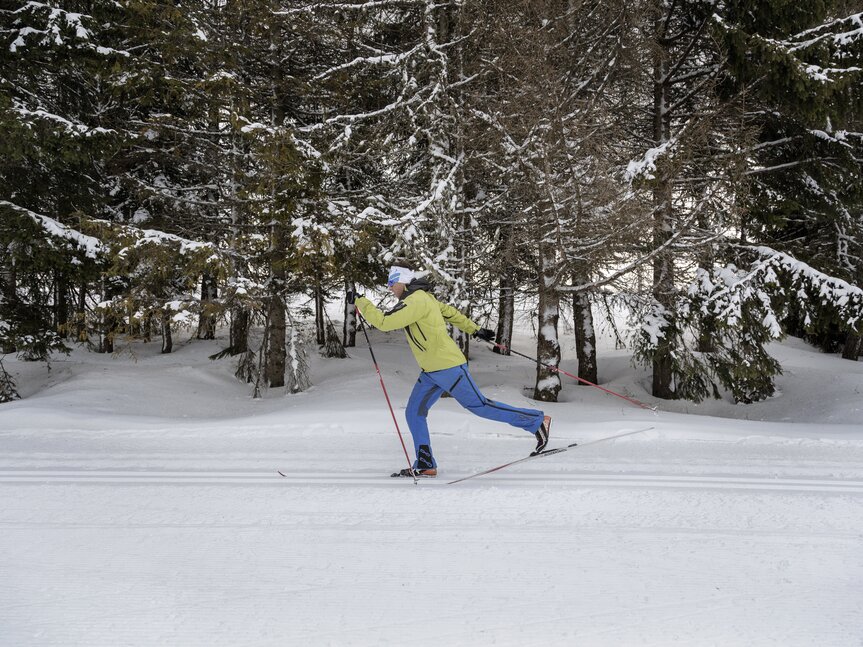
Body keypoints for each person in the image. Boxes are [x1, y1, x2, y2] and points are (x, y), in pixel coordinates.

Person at [348, 265, 551, 478]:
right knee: (414, 413)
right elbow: (450, 313)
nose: (390, 288)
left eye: (392, 283)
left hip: (447, 367)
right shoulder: (424, 299)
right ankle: (425, 463)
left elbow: (384, 322)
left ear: (403, 282)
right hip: (431, 371)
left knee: (479, 406)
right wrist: (476, 330)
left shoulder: (415, 301)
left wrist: (360, 300)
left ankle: (537, 421)